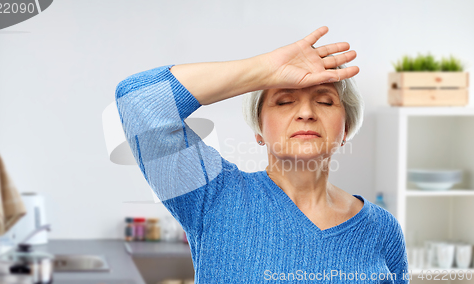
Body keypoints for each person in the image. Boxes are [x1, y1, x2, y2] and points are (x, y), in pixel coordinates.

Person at [115, 26, 409, 283]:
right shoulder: (214, 198)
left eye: (324, 101)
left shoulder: (382, 229)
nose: (306, 113)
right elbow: (139, 101)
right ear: (258, 129)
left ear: (345, 129)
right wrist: (265, 70)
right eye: (284, 101)